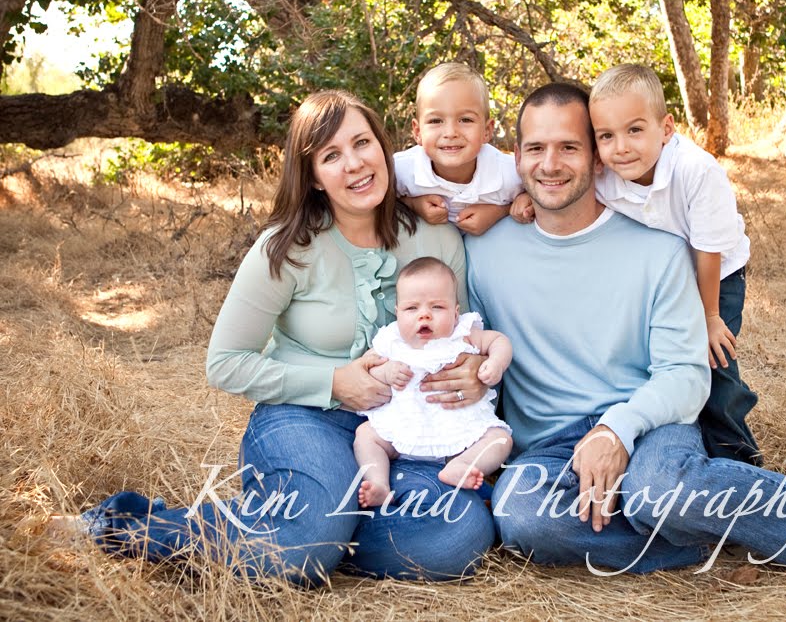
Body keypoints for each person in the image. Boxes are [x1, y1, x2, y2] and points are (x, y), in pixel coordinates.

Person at [466, 83, 786, 577]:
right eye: (536, 148)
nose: (550, 163)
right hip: (550, 447)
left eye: (569, 147)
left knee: (662, 488)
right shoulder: (485, 253)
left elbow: (686, 376)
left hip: (650, 426)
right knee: (521, 515)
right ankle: (725, 531)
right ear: (515, 156)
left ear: (598, 158)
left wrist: (616, 428)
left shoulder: (658, 248)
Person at [54, 90, 495, 584]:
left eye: (362, 143)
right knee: (304, 542)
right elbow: (225, 361)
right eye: (331, 156)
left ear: (383, 146)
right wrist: (333, 382)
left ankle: (312, 531)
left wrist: (474, 374)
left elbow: (468, 336)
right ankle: (125, 525)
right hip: (307, 419)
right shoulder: (285, 248)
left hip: (411, 431)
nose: (354, 164)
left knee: (455, 536)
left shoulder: (435, 237)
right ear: (312, 175)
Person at [513, 64, 760, 466]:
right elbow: (558, 185)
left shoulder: (697, 172)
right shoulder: (610, 174)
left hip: (718, 271)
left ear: (666, 129)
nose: (621, 147)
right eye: (606, 136)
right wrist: (526, 198)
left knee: (713, 365)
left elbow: (709, 250)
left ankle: (738, 458)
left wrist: (710, 316)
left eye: (634, 130)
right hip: (672, 267)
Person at [354, 256, 513, 507]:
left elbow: (499, 341)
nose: (424, 316)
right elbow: (367, 369)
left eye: (437, 307)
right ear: (397, 312)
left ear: (455, 311)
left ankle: (461, 465)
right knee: (365, 435)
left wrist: (495, 363)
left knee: (500, 438)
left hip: (459, 432)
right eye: (411, 308)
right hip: (401, 428)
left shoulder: (463, 333)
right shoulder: (391, 339)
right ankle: (379, 484)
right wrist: (385, 372)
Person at [395, 62, 522, 236]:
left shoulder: (510, 172)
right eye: (435, 121)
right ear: (418, 132)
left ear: (487, 130)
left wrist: (500, 211)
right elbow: (377, 200)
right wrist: (413, 204)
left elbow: (542, 195)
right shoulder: (402, 170)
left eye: (465, 120)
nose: (450, 132)